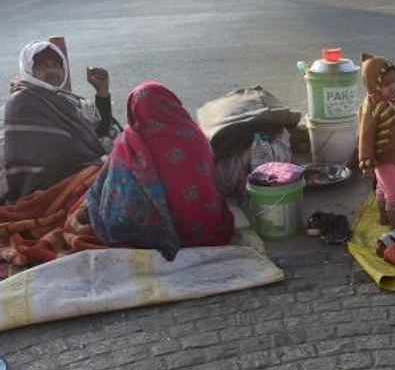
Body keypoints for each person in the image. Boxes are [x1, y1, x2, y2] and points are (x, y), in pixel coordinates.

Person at [85, 82, 235, 261]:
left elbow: (109, 191)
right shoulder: (194, 135)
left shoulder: (128, 144)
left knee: (94, 195)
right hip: (206, 229)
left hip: (145, 238)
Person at [4, 41, 113, 202]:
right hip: (46, 188)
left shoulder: (62, 100)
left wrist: (102, 92)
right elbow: (58, 154)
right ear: (28, 69)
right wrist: (100, 151)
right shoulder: (23, 102)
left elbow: (95, 133)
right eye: (43, 66)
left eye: (56, 65)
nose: (52, 71)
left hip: (70, 176)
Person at [358, 54, 395, 228]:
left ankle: (383, 217)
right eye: (386, 84)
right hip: (381, 157)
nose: (392, 87)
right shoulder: (371, 107)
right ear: (373, 84)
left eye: (394, 81)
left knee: (383, 188)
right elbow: (365, 136)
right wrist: (366, 161)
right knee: (394, 193)